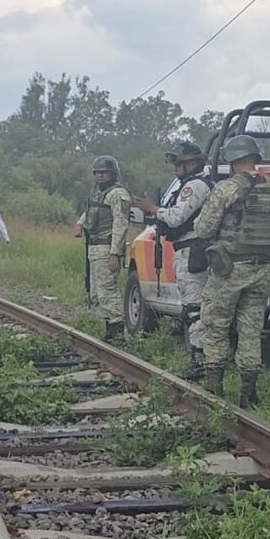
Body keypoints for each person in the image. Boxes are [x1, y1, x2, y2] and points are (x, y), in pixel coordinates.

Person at [195, 135, 270, 407]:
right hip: (262, 271)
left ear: (233, 160)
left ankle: (214, 389)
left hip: (229, 271)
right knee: (251, 330)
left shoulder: (227, 189)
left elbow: (203, 229)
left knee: (216, 325)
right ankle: (248, 395)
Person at [132, 141, 212, 379]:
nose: (174, 169)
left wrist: (154, 209)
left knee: (194, 309)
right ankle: (203, 359)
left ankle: (200, 362)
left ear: (193, 163)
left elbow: (177, 218)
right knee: (195, 308)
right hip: (189, 250)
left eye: (179, 164)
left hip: (192, 251)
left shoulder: (194, 186)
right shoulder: (194, 185)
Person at [73, 155, 131, 343]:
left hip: (106, 248)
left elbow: (121, 225)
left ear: (113, 174)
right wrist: (80, 223)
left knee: (108, 290)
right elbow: (91, 210)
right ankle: (109, 329)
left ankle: (117, 331)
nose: (100, 176)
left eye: (104, 173)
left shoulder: (118, 194)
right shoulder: (99, 194)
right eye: (97, 173)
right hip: (94, 248)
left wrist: (115, 253)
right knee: (97, 293)